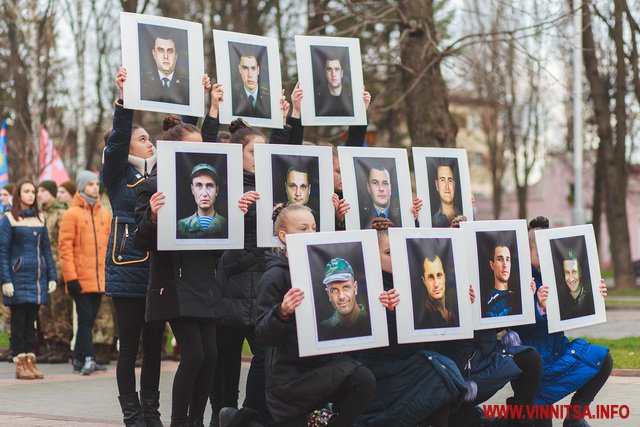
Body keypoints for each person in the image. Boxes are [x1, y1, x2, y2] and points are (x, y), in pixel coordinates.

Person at [211, 87, 300, 427]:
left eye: (264, 151)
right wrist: (235, 212)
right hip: (230, 287)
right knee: (225, 364)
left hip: (262, 288)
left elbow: (287, 154)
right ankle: (221, 415)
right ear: (238, 154)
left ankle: (245, 417)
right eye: (253, 152)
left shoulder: (275, 185)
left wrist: (292, 115)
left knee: (265, 360)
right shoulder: (222, 183)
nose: (261, 157)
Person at [134, 114, 226, 427]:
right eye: (192, 148)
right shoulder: (152, 186)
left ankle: (196, 421)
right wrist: (154, 216)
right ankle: (179, 421)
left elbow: (221, 241)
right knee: (195, 355)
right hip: (173, 281)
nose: (201, 153)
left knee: (211, 357)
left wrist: (235, 218)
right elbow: (139, 242)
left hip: (205, 279)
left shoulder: (211, 184)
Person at [252, 203, 375, 427]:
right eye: (303, 228)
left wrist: (381, 303)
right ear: (284, 236)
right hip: (290, 378)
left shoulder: (321, 272)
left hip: (323, 367)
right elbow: (262, 334)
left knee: (363, 379)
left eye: (314, 228)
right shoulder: (274, 277)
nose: (311, 234)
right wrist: (282, 312)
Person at [100, 66, 167, 427]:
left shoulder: (161, 173)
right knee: (129, 347)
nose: (149, 142)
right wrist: (124, 101)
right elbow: (119, 136)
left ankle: (152, 411)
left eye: (149, 138)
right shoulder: (116, 173)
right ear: (126, 145)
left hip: (158, 269)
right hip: (126, 266)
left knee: (154, 347)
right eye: (142, 139)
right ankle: (132, 414)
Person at [356, 218, 467, 427]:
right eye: (389, 252)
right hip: (383, 370)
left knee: (444, 382)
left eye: (400, 250)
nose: (397, 256)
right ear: (372, 254)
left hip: (412, 361)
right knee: (440, 380)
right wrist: (384, 312)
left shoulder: (415, 282)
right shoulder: (363, 287)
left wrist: (463, 301)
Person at [513, 216, 612, 427]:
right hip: (533, 365)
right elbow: (516, 327)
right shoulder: (520, 278)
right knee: (540, 418)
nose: (545, 259)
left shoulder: (561, 273)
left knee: (603, 360)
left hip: (559, 352)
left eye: (548, 253)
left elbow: (578, 300)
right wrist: (538, 306)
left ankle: (574, 418)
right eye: (539, 254)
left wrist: (595, 292)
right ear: (527, 252)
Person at [0, 179, 57, 380]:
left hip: (36, 280)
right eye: (26, 191)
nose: (31, 195)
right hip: (16, 279)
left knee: (31, 324)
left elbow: (47, 251)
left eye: (33, 191)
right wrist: (5, 280)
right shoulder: (8, 219)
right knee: (18, 323)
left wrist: (52, 276)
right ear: (18, 195)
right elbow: (2, 251)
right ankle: (20, 362)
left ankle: (30, 362)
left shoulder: (40, 219)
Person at [59, 170, 112, 375]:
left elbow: (108, 246)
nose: (94, 188)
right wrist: (70, 277)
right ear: (81, 187)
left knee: (88, 319)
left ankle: (78, 359)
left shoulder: (104, 214)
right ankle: (89, 357)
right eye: (90, 184)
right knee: (85, 318)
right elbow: (65, 248)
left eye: (96, 184)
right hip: (79, 279)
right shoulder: (71, 214)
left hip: (99, 279)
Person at [36, 180, 73, 364]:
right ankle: (50, 345)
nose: (39, 194)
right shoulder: (40, 214)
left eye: (43, 190)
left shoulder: (61, 213)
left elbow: (62, 244)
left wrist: (60, 271)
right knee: (44, 309)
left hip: (57, 268)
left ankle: (62, 346)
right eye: (38, 190)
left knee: (59, 309)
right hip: (41, 269)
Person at [317, 257, 372, 341]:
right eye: (334, 290)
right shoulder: (323, 329)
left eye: (346, 287)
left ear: (355, 288)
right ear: (328, 294)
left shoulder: (373, 321)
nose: (341, 296)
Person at [177, 163, 228, 238]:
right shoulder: (181, 225)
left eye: (209, 186)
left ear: (217, 191)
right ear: (192, 190)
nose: (204, 194)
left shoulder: (227, 224)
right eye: (199, 186)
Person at [141, 31, 189, 105]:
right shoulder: (142, 81)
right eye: (160, 50)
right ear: (154, 54)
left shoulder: (187, 85)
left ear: (176, 56)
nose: (165, 56)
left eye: (170, 51)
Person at [415, 253, 459, 329]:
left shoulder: (455, 311)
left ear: (444, 277)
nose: (436, 284)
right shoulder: (420, 318)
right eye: (431, 277)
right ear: (424, 281)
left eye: (439, 275)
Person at [359, 164, 401, 229]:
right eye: (375, 183)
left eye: (385, 183)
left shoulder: (402, 214)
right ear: (368, 188)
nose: (381, 189)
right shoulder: (359, 217)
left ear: (390, 188)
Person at [484, 243, 520, 317]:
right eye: (500, 259)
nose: (505, 265)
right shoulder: (491, 304)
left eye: (507, 259)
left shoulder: (517, 296)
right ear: (492, 265)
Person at [314, 51, 354, 117]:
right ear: (325, 73)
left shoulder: (352, 99)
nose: (333, 74)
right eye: (329, 69)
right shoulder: (317, 100)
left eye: (337, 69)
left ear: (341, 73)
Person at [558, 250, 595, 320]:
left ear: (580, 272)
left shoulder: (590, 298)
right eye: (567, 273)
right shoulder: (561, 299)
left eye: (574, 272)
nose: (571, 279)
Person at [232, 53, 270, 118]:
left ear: (258, 70)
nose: (250, 75)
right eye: (245, 68)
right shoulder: (232, 96)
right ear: (239, 69)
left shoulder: (270, 96)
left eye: (253, 68)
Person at [431, 162, 461, 228]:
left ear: (454, 184)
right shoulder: (432, 220)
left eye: (450, 180)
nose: (447, 186)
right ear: (437, 185)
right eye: (442, 180)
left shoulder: (464, 215)